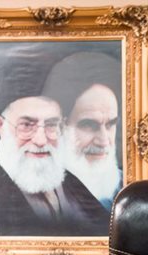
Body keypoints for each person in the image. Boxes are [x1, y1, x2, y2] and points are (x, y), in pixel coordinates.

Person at [0, 94, 110, 236]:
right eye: (26, 125)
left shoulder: (69, 180)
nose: (41, 140)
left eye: (51, 125)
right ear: (0, 125)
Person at [42, 52, 123, 210]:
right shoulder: (35, 195)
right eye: (89, 125)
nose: (104, 141)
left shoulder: (127, 188)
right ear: (57, 128)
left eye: (110, 125)